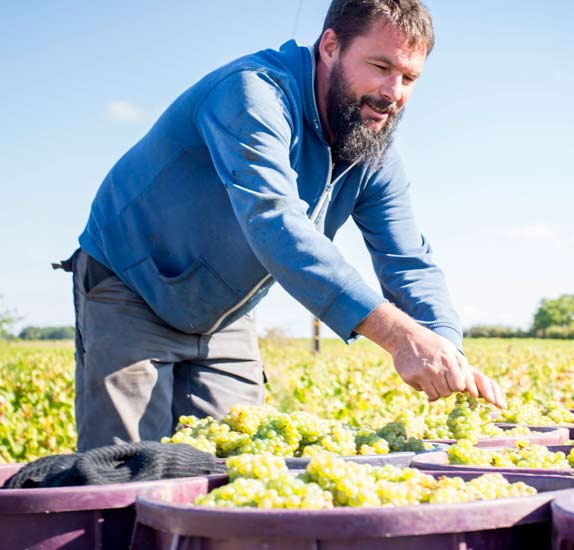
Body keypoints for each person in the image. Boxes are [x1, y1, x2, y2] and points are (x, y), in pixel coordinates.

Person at [56, 0, 504, 451]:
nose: (394, 92)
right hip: (133, 288)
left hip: (224, 312)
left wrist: (445, 349)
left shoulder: (374, 146)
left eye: (409, 78)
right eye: (380, 66)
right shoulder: (251, 94)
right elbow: (276, 224)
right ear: (330, 46)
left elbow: (408, 258)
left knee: (235, 460)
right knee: (126, 469)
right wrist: (399, 336)